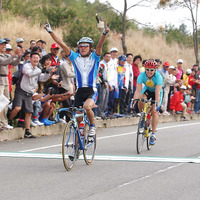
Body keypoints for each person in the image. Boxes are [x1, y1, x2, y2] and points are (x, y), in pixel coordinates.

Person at [44, 21, 110, 136]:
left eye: (86, 46)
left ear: (90, 48)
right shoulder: (74, 57)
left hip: (91, 90)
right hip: (79, 91)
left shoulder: (95, 57)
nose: (83, 48)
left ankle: (92, 126)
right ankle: (78, 143)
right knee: (78, 116)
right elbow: (61, 44)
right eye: (81, 46)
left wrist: (104, 33)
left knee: (87, 107)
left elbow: (100, 45)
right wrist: (50, 31)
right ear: (78, 48)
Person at [9, 52, 50, 138]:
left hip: (29, 93)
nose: (36, 60)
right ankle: (9, 121)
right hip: (21, 90)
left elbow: (42, 78)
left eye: (37, 58)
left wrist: (47, 72)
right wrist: (42, 70)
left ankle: (27, 131)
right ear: (30, 59)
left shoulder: (38, 68)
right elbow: (30, 74)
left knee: (29, 112)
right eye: (34, 58)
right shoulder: (27, 66)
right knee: (17, 108)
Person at [133, 59, 163, 145]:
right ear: (145, 69)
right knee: (140, 98)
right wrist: (134, 100)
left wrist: (157, 104)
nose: (149, 72)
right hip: (147, 90)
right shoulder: (141, 75)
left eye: (152, 70)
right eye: (147, 69)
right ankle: (143, 116)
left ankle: (153, 135)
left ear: (155, 70)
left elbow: (157, 93)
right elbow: (138, 90)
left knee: (154, 111)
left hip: (157, 92)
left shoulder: (158, 77)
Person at [0, 39, 22, 130]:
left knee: (5, 101)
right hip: (0, 78)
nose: (4, 46)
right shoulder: (2, 56)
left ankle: (4, 122)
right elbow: (4, 62)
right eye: (2, 45)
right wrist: (14, 55)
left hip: (5, 79)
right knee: (0, 101)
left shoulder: (5, 55)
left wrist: (19, 57)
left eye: (4, 44)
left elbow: (14, 62)